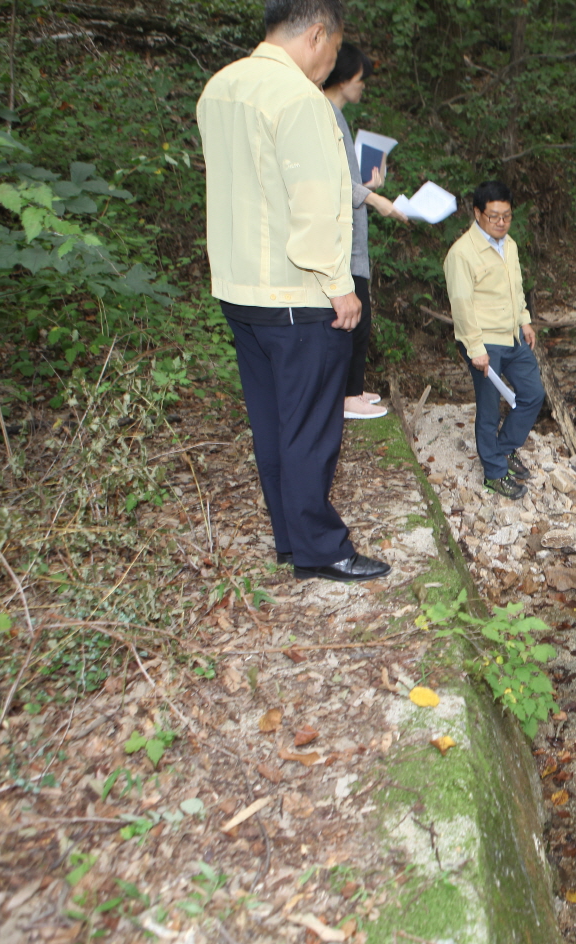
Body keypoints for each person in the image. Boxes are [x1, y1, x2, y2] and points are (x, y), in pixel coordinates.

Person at [197, 0, 390, 583]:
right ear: (317, 34)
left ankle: (290, 538)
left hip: (239, 291)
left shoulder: (220, 88)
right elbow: (313, 205)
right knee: (309, 428)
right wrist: (339, 286)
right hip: (297, 294)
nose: (332, 62)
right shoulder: (300, 99)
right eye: (335, 49)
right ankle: (320, 549)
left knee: (273, 424)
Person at [321, 42, 410, 421]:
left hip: (353, 240)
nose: (363, 86)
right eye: (360, 79)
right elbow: (331, 180)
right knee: (354, 318)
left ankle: (353, 389)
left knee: (361, 317)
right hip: (341, 244)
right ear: (343, 78)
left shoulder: (337, 117)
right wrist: (375, 200)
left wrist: (368, 186)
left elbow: (347, 179)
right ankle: (347, 395)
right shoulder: (325, 114)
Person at [443, 180, 545, 500]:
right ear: (477, 213)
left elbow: (516, 287)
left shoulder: (509, 245)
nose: (501, 223)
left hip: (512, 335)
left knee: (533, 393)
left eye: (506, 216)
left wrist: (524, 321)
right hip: (483, 341)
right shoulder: (462, 254)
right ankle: (494, 473)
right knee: (489, 410)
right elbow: (461, 305)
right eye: (494, 216)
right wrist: (475, 348)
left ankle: (504, 448)